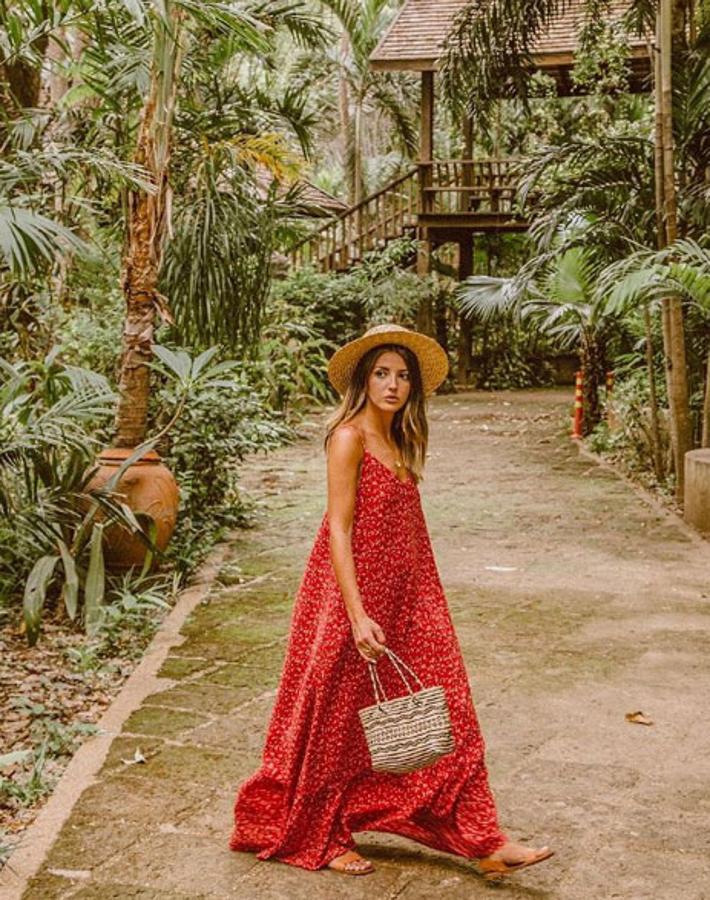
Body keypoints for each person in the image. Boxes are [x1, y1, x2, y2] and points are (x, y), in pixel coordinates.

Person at [229, 323, 553, 880]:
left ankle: (483, 838)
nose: (392, 384)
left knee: (452, 710)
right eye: (381, 373)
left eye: (402, 376)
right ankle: (322, 834)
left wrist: (426, 600)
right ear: (363, 379)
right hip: (349, 597)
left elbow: (408, 532)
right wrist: (357, 615)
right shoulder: (348, 437)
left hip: (408, 599)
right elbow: (338, 529)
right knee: (335, 721)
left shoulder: (401, 439)